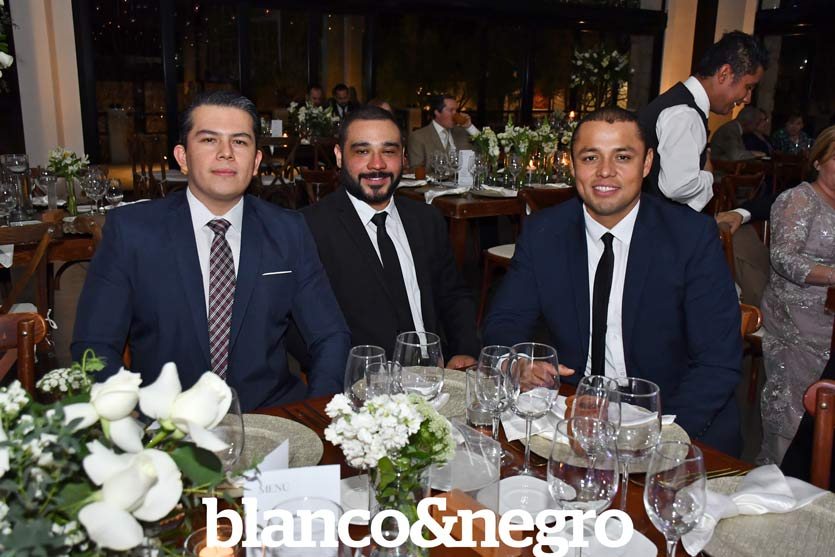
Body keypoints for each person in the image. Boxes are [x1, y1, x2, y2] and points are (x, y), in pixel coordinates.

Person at [483, 107, 743, 454]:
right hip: (574, 414)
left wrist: (659, 436)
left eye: (623, 157)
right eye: (590, 157)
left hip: (674, 419)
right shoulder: (545, 232)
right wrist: (517, 362)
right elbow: (504, 320)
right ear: (573, 165)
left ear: (647, 163)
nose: (605, 171)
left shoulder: (690, 237)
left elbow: (717, 363)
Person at [71, 91, 351, 411]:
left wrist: (314, 412)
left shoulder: (288, 231)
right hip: (166, 423)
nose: (226, 153)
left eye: (240, 142)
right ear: (182, 157)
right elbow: (93, 347)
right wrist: (130, 418)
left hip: (269, 417)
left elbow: (330, 335)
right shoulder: (132, 232)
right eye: (209, 140)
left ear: (256, 161)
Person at [302, 106, 479, 367]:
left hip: (436, 375)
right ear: (339, 156)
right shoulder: (309, 228)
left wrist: (464, 351)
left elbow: (453, 296)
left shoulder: (426, 219)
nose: (377, 164)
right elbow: (299, 329)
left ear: (403, 157)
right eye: (362, 151)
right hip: (361, 381)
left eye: (389, 151)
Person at [757, 126, 835, 465]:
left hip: (829, 310)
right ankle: (782, 469)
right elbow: (783, 258)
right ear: (818, 161)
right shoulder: (799, 199)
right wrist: (833, 276)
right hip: (796, 312)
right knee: (794, 406)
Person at [638, 30, 769, 211]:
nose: (747, 98)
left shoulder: (680, 104)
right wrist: (708, 174)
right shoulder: (685, 114)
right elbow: (677, 187)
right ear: (724, 74)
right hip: (655, 221)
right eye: (748, 87)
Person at [407, 94, 477, 168]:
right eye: (451, 110)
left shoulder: (462, 133)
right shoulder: (418, 137)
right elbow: (417, 170)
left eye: (456, 111)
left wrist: (470, 127)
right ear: (437, 112)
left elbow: (484, 150)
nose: (455, 115)